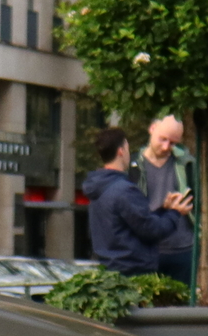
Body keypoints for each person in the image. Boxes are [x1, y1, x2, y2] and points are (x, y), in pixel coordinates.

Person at [81, 127, 193, 278]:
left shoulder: (98, 187)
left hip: (110, 267)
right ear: (121, 151)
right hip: (132, 271)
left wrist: (164, 210)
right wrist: (175, 213)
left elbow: (136, 221)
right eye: (127, 147)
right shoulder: (124, 190)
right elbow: (151, 230)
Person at [135, 115, 199, 285]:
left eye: (172, 143)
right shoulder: (133, 166)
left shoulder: (187, 164)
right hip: (146, 248)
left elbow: (198, 202)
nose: (166, 147)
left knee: (181, 308)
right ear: (152, 128)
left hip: (183, 249)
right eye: (163, 139)